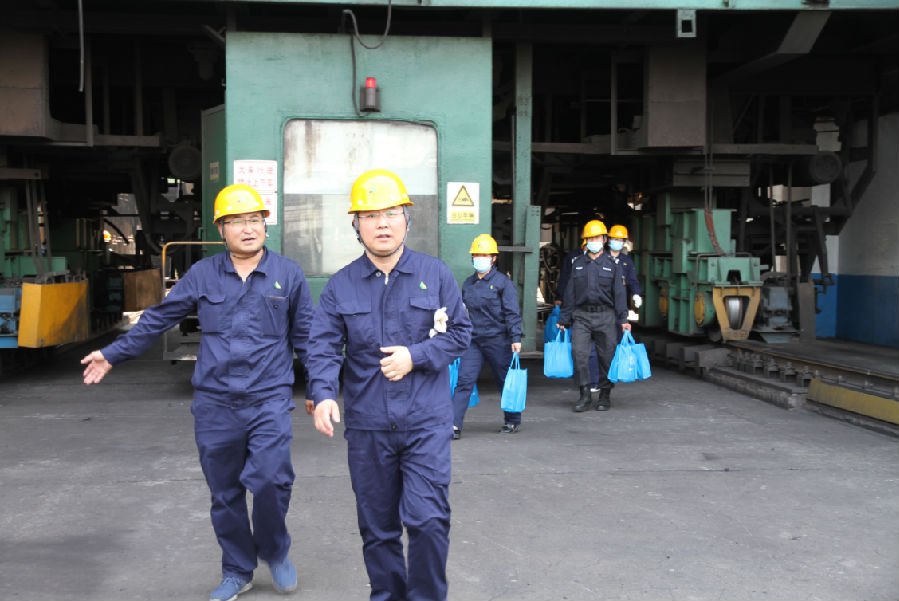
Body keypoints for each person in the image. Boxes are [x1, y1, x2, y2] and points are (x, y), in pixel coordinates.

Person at [81, 183, 313, 601]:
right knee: (224, 493)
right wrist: (114, 353)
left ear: (265, 225)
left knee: (271, 482)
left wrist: (321, 387)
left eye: (255, 220)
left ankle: (275, 550)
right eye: (237, 221)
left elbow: (308, 337)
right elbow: (159, 318)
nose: (248, 228)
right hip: (215, 403)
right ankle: (238, 570)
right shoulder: (203, 274)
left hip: (268, 400)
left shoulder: (288, 274)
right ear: (221, 229)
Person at [307, 169, 471, 601]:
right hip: (369, 427)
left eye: (392, 213)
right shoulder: (341, 285)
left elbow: (460, 333)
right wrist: (323, 393)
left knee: (428, 521)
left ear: (407, 220)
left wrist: (415, 356)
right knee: (378, 528)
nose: (383, 224)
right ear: (356, 225)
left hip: (425, 422)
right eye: (371, 215)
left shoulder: (435, 274)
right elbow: (322, 346)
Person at [452, 234, 523, 438]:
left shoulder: (503, 283)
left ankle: (512, 420)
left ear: (493, 258)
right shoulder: (468, 284)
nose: (480, 258)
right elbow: (462, 312)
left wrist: (515, 338)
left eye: (484, 255)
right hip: (474, 341)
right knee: (464, 381)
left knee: (504, 381)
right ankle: (453, 425)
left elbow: (512, 312)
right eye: (476, 255)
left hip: (498, 340)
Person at [557, 219, 630, 412]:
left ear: (604, 239)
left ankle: (605, 395)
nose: (593, 241)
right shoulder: (578, 264)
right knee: (579, 354)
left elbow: (620, 294)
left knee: (607, 357)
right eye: (590, 238)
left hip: (606, 316)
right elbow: (570, 293)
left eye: (597, 237)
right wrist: (564, 318)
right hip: (582, 316)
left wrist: (623, 319)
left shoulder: (613, 265)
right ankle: (585, 395)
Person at [607, 224, 643, 314]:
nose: (618, 242)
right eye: (615, 239)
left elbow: (632, 279)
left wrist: (636, 294)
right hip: (603, 303)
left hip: (621, 303)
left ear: (623, 242)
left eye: (620, 240)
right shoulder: (601, 258)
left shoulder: (627, 261)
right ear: (609, 240)